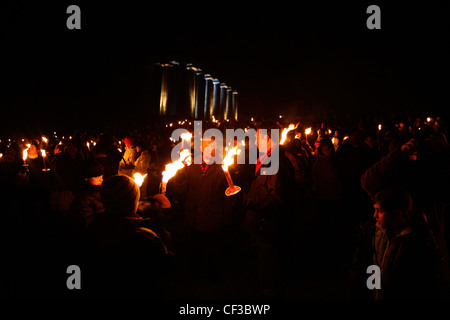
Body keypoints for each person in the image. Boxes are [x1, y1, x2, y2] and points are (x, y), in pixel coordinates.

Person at [84, 174, 173, 299]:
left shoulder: (94, 227)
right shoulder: (143, 238)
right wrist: (158, 223)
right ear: (133, 202)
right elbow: (166, 265)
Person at [348, 186, 441, 300]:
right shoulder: (372, 235)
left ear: (398, 213)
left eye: (380, 210)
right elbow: (364, 268)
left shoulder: (420, 243)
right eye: (375, 209)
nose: (374, 215)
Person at [242, 120, 295, 298]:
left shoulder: (275, 164)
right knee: (262, 259)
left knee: (269, 263)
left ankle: (269, 291)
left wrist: (247, 201)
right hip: (259, 224)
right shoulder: (264, 161)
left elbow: (275, 200)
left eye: (258, 137)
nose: (255, 141)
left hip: (268, 225)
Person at [65, 160, 105, 248]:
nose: (101, 179)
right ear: (86, 178)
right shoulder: (83, 200)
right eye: (97, 176)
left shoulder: (102, 191)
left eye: (101, 176)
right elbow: (86, 226)